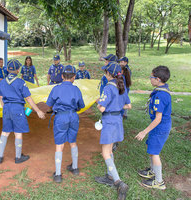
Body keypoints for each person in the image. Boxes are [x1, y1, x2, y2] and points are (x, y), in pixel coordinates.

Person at [0, 59, 45, 165]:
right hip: (17, 109)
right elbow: (29, 99)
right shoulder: (21, 82)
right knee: (18, 133)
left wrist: (5, 109)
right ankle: (18, 157)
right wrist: (38, 110)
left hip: (7, 108)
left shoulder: (2, 82)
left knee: (5, 132)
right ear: (18, 70)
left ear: (7, 69)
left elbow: (1, 98)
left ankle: (0, 156)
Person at [94, 62, 131, 200]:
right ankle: (110, 176)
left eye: (105, 72)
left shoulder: (109, 87)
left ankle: (118, 182)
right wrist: (117, 105)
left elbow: (102, 108)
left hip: (109, 121)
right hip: (118, 121)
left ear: (109, 74)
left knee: (105, 152)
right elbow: (128, 105)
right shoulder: (122, 86)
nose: (104, 74)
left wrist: (99, 101)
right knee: (109, 150)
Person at [46, 65, 85, 183]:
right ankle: (75, 168)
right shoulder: (76, 89)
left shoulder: (56, 88)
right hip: (73, 116)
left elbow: (49, 104)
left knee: (59, 144)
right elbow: (81, 106)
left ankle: (58, 175)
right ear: (74, 77)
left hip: (61, 116)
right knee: (73, 141)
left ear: (62, 76)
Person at [135, 66, 171, 190]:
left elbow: (158, 119)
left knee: (154, 153)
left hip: (159, 127)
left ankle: (159, 181)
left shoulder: (161, 95)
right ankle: (152, 171)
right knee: (151, 149)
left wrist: (144, 132)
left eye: (151, 77)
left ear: (158, 79)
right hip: (157, 127)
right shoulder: (160, 90)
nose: (150, 79)